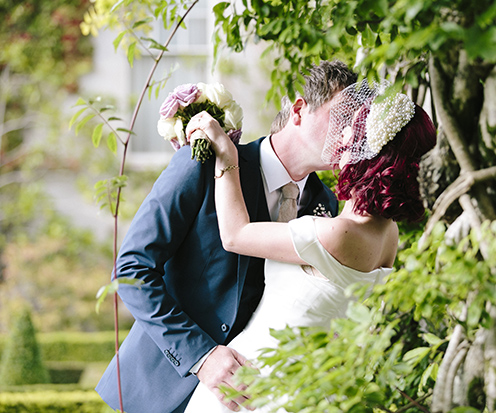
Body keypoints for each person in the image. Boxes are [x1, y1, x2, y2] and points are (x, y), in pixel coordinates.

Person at [95, 60, 357, 413]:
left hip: (250, 398)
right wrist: (202, 356)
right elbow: (131, 270)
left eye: (355, 126)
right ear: (299, 110)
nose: (347, 136)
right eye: (340, 118)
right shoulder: (203, 161)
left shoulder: (325, 204)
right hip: (162, 390)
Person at [181, 80, 437, 412]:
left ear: (372, 153)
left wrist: (226, 157)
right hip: (309, 394)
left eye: (353, 131)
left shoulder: (334, 233)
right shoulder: (388, 234)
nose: (342, 136)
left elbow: (234, 235)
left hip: (250, 386)